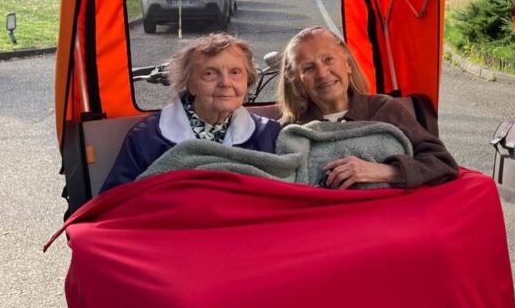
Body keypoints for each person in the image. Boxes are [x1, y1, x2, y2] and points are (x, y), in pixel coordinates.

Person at [276, 27, 458, 189]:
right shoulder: (290, 131)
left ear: (347, 63)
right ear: (296, 81)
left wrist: (386, 171)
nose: (322, 74)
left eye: (328, 59)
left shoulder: (386, 109)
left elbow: (442, 162)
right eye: (308, 68)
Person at [102, 33, 282, 191]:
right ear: (189, 84)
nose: (225, 83)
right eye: (210, 74)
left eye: (235, 72)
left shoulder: (269, 134)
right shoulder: (147, 137)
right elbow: (118, 200)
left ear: (247, 81)